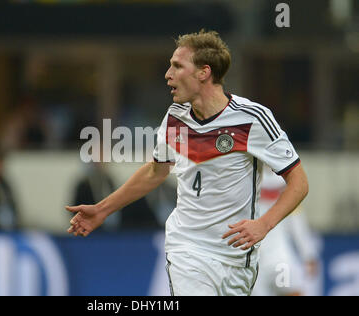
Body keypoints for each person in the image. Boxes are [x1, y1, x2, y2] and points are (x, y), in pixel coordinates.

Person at [65, 30, 309, 296]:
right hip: (187, 248)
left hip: (237, 258)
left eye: (177, 66)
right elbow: (155, 172)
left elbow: (299, 182)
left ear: (203, 73)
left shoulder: (253, 118)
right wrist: (102, 209)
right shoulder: (175, 118)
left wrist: (264, 224)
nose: (168, 74)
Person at [252, 166, 319, 296]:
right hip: (280, 262)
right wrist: (308, 256)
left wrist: (309, 255)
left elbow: (298, 227)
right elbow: (299, 228)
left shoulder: (248, 187)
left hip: (258, 262)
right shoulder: (286, 192)